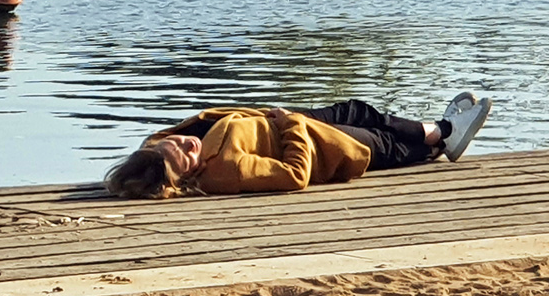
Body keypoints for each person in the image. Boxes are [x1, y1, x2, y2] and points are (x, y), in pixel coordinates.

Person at [105, 92, 492, 199]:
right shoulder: (226, 170)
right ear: (185, 176)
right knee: (380, 145)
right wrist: (291, 125)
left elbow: (152, 151)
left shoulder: (158, 150)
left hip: (284, 120)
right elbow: (294, 175)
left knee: (355, 109)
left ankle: (439, 128)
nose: (187, 142)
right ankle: (441, 137)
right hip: (311, 143)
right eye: (186, 154)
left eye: (175, 142)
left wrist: (146, 163)